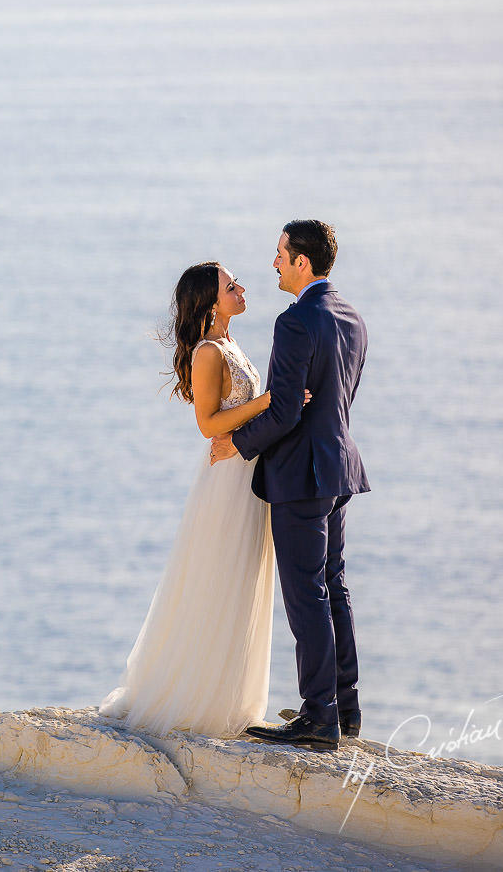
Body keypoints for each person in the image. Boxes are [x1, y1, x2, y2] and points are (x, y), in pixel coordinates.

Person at [98, 261, 310, 739]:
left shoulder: (230, 344)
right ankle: (199, 698)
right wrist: (273, 400)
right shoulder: (208, 352)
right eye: (230, 286)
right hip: (227, 480)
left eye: (236, 283)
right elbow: (209, 425)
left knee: (244, 579)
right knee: (220, 575)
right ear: (212, 303)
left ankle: (231, 695)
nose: (241, 289)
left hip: (248, 472)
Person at [209, 220, 369, 751]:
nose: (274, 262)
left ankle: (319, 716)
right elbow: (335, 400)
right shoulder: (352, 317)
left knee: (306, 596)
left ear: (302, 262)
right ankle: (345, 709)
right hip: (339, 466)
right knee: (334, 587)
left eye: (280, 254)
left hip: (301, 475)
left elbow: (284, 410)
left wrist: (237, 443)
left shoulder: (296, 321)